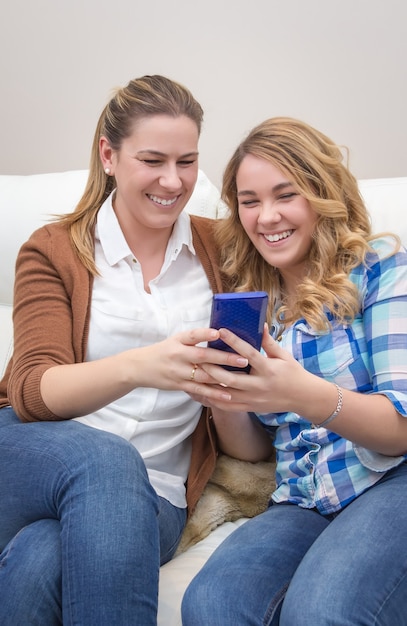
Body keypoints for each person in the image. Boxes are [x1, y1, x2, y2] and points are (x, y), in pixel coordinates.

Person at [0, 75, 250, 625]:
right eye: (153, 160)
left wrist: (229, 393)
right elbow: (31, 392)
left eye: (187, 162)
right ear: (109, 155)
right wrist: (144, 365)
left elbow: (249, 438)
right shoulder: (55, 250)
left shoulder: (225, 253)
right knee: (107, 457)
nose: (173, 180)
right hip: (32, 453)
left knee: (39, 562)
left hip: (155, 492)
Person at [181, 117, 407, 625]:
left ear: (322, 195)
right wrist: (220, 395)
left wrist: (305, 393)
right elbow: (258, 450)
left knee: (323, 611)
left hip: (392, 481)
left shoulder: (383, 271)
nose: (267, 217)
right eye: (250, 200)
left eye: (286, 195)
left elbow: (401, 428)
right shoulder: (254, 303)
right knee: (211, 605)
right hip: (303, 497)